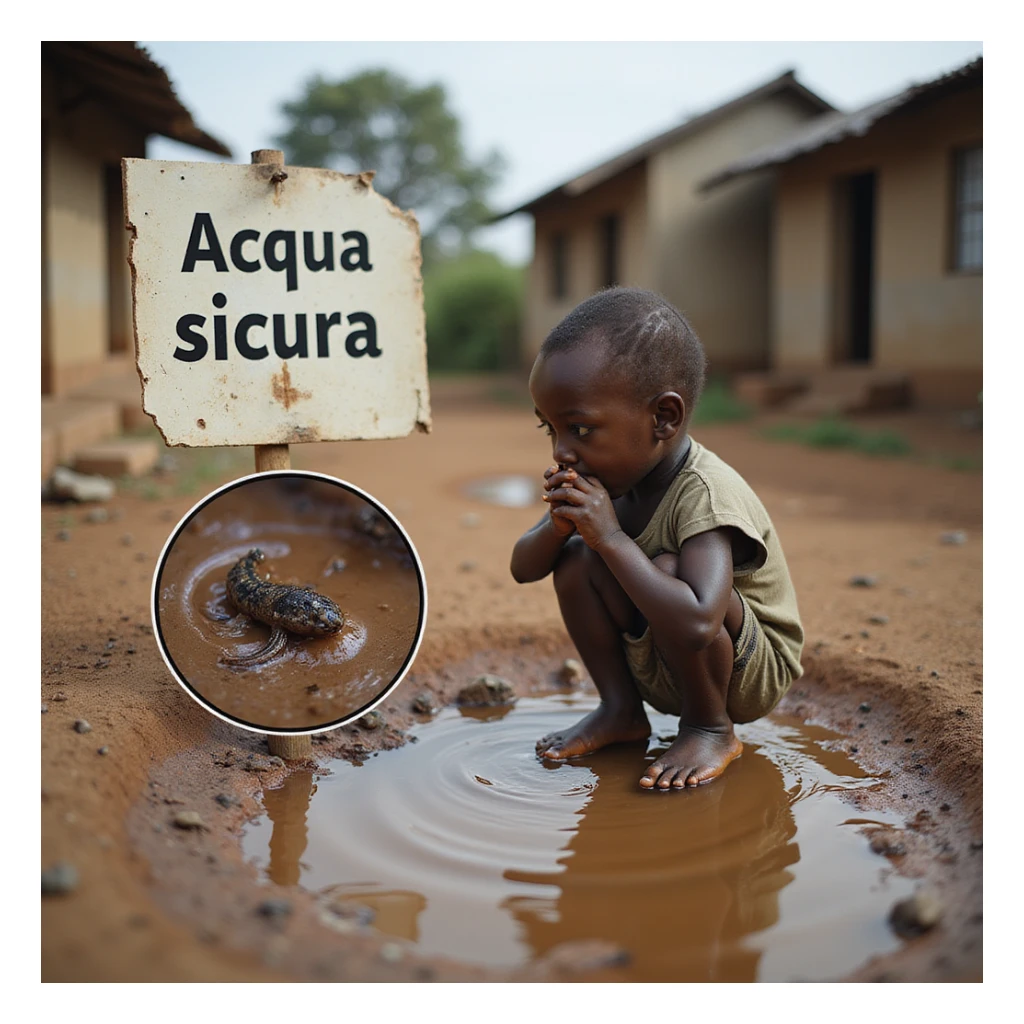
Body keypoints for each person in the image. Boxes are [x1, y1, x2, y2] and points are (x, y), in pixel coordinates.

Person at [510, 287, 803, 790]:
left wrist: (610, 538)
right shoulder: (612, 480)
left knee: (666, 568)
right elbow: (523, 568)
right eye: (550, 429)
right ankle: (621, 711)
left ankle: (710, 730)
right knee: (577, 558)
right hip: (665, 658)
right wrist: (562, 530)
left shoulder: (706, 494)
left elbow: (697, 621)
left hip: (746, 670)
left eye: (580, 428)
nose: (562, 451)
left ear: (663, 418)